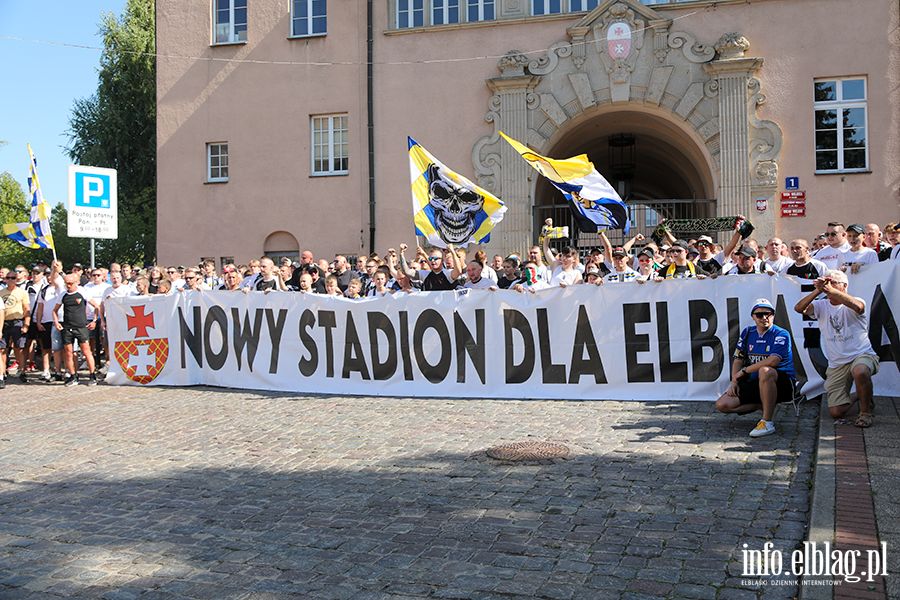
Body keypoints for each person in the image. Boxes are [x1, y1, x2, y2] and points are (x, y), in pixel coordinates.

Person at [794, 270, 879, 427]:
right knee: (836, 412)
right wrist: (818, 290)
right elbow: (799, 308)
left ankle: (866, 412)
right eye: (827, 283)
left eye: (833, 283)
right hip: (837, 363)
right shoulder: (821, 305)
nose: (829, 287)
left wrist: (828, 289)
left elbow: (857, 307)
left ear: (844, 285)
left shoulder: (857, 300)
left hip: (862, 354)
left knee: (860, 371)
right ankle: (858, 395)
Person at [716, 299, 796, 437]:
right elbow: (738, 360)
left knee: (765, 370)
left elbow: (773, 361)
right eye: (759, 315)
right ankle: (768, 406)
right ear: (753, 316)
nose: (764, 318)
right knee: (723, 405)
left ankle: (767, 422)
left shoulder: (781, 333)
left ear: (773, 315)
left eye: (768, 314)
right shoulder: (747, 332)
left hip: (782, 383)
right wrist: (734, 382)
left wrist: (744, 371)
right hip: (757, 382)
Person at [52, 274, 101, 387]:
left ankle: (92, 375)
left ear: (76, 282)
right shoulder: (63, 294)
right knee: (69, 353)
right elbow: (55, 310)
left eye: (70, 283)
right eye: (66, 283)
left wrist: (94, 320)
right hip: (67, 328)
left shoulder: (82, 292)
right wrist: (56, 322)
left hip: (81, 327)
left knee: (87, 352)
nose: (68, 286)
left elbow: (96, 306)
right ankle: (73, 376)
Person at [0, 269, 31, 386]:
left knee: (20, 349)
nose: (10, 280)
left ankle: (22, 371)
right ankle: (2, 374)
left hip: (18, 322)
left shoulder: (22, 292)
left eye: (13, 278)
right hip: (4, 322)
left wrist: (26, 324)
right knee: (3, 350)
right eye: (8, 278)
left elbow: (27, 309)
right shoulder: (1, 292)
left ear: (16, 280)